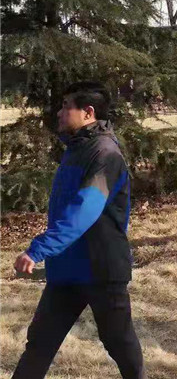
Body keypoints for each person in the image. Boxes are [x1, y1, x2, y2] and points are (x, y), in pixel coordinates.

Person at [12, 82, 144, 379]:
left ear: (88, 112)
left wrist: (40, 248)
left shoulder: (105, 154)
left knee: (119, 343)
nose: (59, 113)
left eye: (65, 106)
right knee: (40, 343)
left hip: (101, 267)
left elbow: (85, 209)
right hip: (67, 269)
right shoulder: (76, 149)